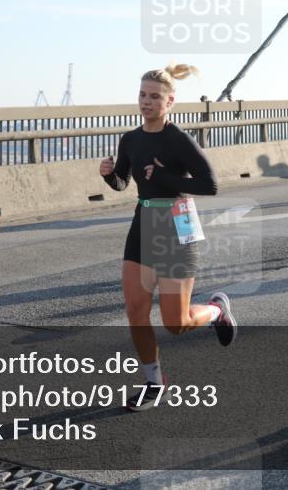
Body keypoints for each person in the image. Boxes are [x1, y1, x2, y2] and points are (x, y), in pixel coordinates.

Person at [99, 64, 236, 411]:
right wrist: (108, 175)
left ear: (170, 101)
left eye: (155, 96)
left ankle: (217, 311)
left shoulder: (178, 140)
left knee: (176, 324)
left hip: (177, 224)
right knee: (135, 309)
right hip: (144, 220)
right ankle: (153, 382)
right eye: (143, 95)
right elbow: (122, 183)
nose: (146, 102)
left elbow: (211, 184)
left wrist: (165, 177)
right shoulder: (130, 139)